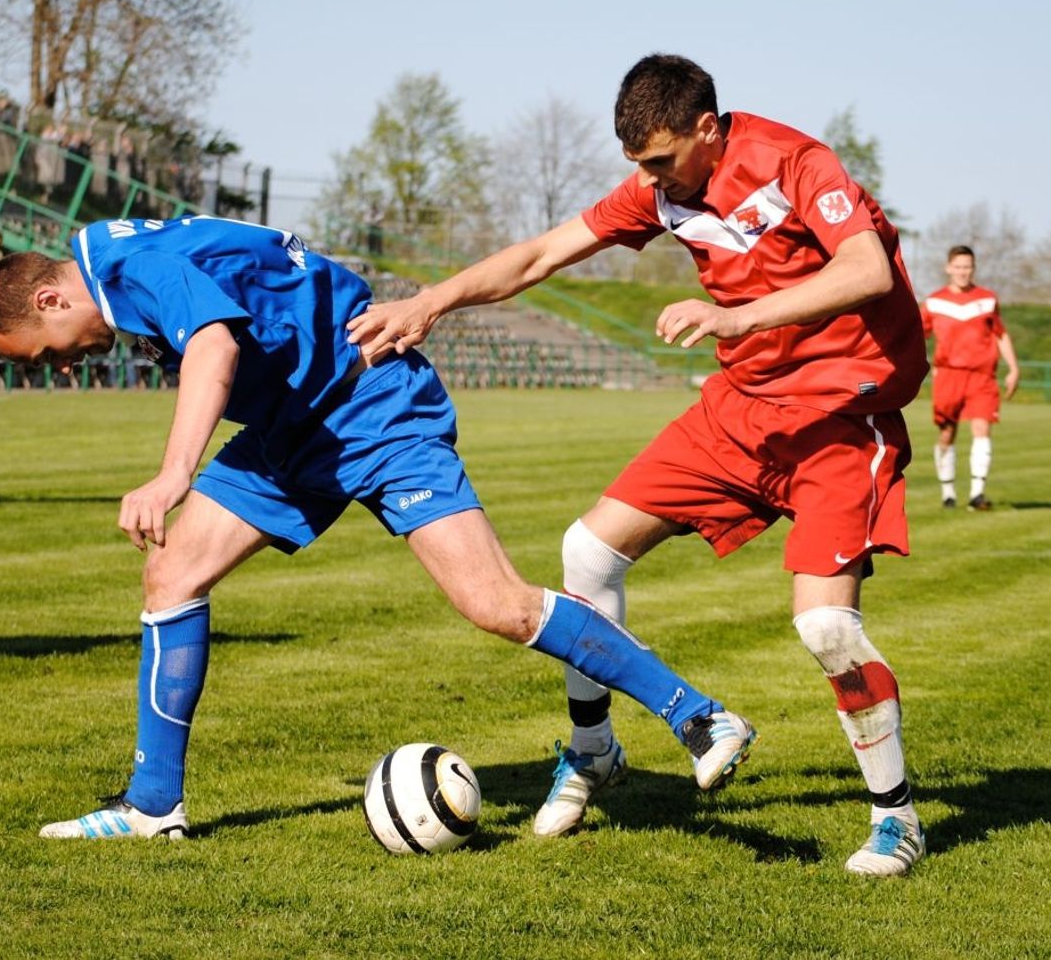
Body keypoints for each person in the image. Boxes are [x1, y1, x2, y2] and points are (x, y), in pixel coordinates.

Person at [0, 214, 758, 842]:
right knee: (171, 576)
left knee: (498, 603)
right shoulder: (113, 256)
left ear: (48, 300)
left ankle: (698, 713)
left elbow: (212, 344)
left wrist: (174, 472)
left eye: (47, 356)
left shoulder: (126, 267)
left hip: (371, 399)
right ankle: (152, 807)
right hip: (295, 422)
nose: (64, 368)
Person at [347, 54, 930, 876]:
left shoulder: (795, 162)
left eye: (660, 159)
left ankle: (896, 817)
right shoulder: (660, 190)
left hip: (840, 417)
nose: (651, 179)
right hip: (740, 411)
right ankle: (593, 750)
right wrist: (430, 301)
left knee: (827, 627)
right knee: (588, 549)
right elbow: (541, 254)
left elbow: (867, 270)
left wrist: (737, 316)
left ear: (707, 128)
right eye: (637, 166)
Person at [920, 245, 1019, 510]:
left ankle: (977, 494)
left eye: (968, 267)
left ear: (973, 268)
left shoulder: (987, 299)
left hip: (982, 376)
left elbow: (1001, 335)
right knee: (947, 434)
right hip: (949, 375)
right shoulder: (933, 302)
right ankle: (948, 493)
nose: (963, 272)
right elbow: (917, 337)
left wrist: (1014, 368)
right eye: (959, 266)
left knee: (982, 428)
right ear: (948, 268)